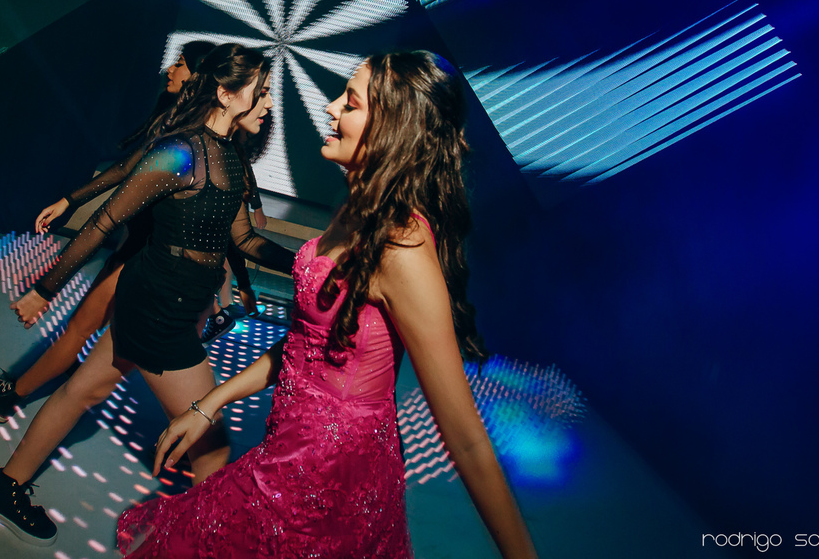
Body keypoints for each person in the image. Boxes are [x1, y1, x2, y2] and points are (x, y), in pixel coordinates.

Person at [118, 51, 539, 559]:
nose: (331, 107)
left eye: (351, 103)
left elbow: (467, 441)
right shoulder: (357, 210)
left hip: (328, 486)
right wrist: (209, 404)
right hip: (286, 455)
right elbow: (305, 348)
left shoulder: (402, 248)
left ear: (393, 130)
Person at [0, 43, 296, 546]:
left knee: (81, 390)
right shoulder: (181, 151)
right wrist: (44, 289)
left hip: (162, 303)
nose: (270, 103)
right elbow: (104, 222)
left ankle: (5, 488)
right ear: (226, 94)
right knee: (211, 448)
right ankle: (206, 547)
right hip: (159, 313)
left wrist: (308, 264)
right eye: (263, 92)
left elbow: (246, 240)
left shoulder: (232, 157)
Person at [0, 41, 217, 424]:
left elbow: (105, 220)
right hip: (139, 247)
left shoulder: (188, 139)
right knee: (86, 331)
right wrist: (69, 200)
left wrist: (43, 291)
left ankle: (9, 397)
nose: (170, 69)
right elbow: (125, 168)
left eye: (179, 64)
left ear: (197, 76)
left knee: (81, 330)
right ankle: (54, 373)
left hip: (147, 256)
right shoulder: (176, 122)